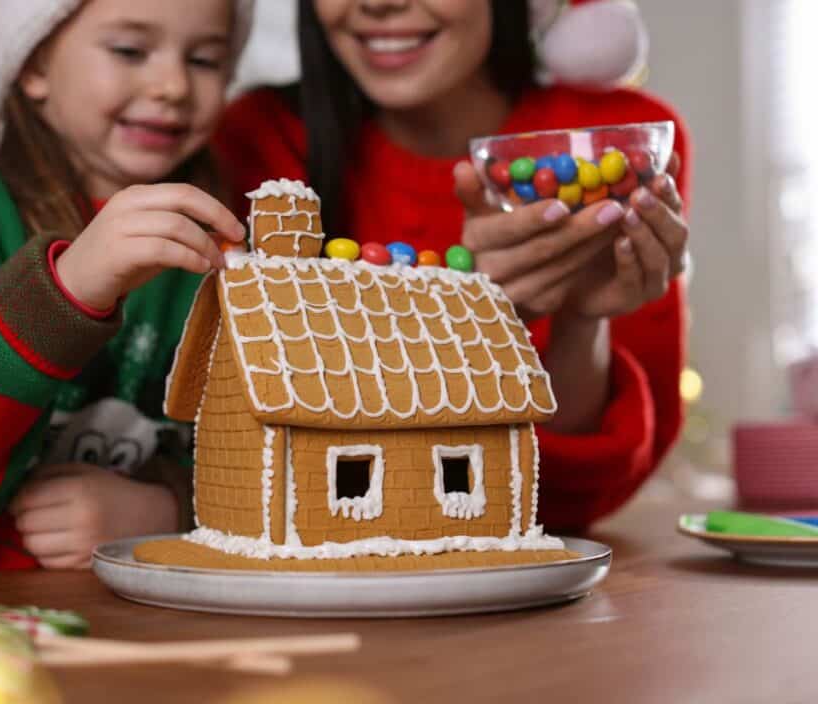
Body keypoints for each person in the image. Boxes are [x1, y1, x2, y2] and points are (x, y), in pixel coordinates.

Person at [215, 0, 691, 531]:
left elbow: (568, 508)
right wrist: (472, 325)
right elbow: (280, 469)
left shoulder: (611, 140)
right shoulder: (258, 139)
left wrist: (582, 322)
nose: (378, 4)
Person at [0, 0, 254, 581]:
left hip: (136, 638)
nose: (173, 86)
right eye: (129, 51)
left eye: (207, 59)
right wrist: (66, 292)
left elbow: (269, 455)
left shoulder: (227, 237)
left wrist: (168, 506)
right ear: (33, 66)